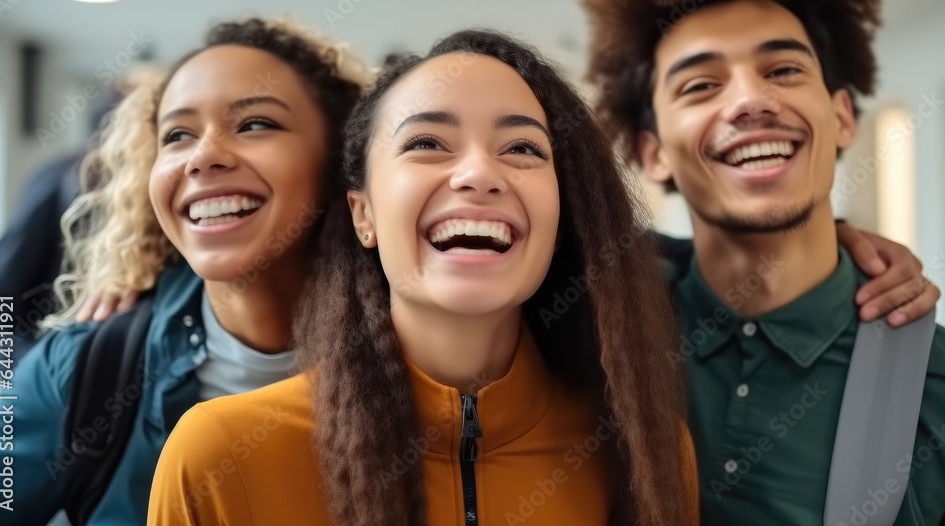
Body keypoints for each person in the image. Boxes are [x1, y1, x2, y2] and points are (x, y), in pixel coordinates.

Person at [150, 29, 700, 525]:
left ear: (560, 219)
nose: (480, 173)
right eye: (426, 143)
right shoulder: (218, 455)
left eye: (523, 149)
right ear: (362, 214)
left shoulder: (647, 453)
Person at [584, 0, 945, 523]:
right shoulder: (590, 328)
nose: (751, 99)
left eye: (784, 69)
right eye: (701, 84)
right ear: (653, 153)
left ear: (842, 117)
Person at [0, 18, 370, 525]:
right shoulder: (86, 367)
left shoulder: (431, 356)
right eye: (179, 135)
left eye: (255, 124)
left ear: (341, 162)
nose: (202, 157)